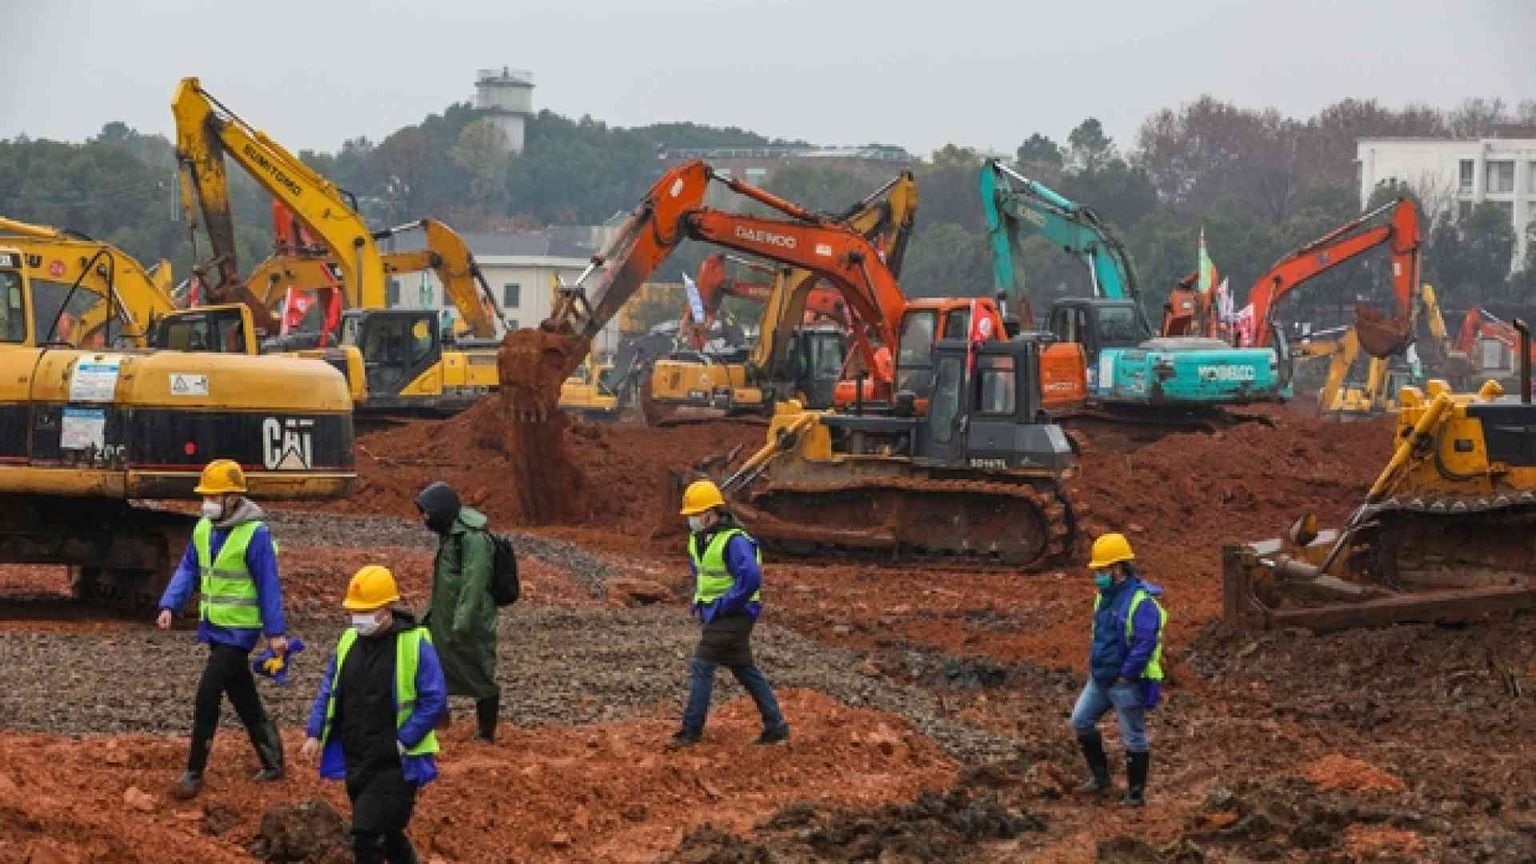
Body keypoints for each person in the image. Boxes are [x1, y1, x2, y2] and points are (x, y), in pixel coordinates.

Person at [155, 459, 289, 799]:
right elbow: (189, 569)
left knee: (209, 691)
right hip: (215, 627)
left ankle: (194, 770)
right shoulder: (203, 529)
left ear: (233, 498)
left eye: (214, 497)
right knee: (242, 693)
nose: (207, 503)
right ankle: (272, 758)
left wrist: (275, 633)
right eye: (206, 496)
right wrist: (169, 604)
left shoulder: (255, 534)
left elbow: (268, 585)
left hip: (240, 631)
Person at [301, 566, 446, 864]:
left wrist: (403, 740)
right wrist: (315, 733)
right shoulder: (348, 641)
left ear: (387, 608)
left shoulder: (414, 643)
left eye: (366, 611)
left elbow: (435, 699)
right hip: (358, 757)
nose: (358, 618)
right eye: (355, 611)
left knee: (366, 837)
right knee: (388, 834)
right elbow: (330, 689)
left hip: (395, 762)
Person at [671, 479, 789, 747]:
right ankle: (776, 726)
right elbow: (702, 572)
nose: (690, 519)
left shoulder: (734, 540)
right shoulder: (699, 538)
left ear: (710, 512)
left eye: (694, 514)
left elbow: (750, 578)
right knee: (743, 667)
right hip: (719, 612)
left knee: (702, 665)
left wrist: (724, 605)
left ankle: (690, 731)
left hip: (735, 613)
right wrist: (701, 602)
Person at [1070, 532, 1167, 807]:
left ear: (1118, 568)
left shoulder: (1141, 601)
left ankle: (1135, 794)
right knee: (1080, 721)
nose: (1097, 576)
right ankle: (1100, 778)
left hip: (1124, 682)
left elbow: (1145, 642)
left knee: (1133, 737)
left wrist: (1127, 674)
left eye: (1102, 570)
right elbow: (1099, 633)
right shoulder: (1103, 597)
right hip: (1101, 677)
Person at [414, 482, 500, 742]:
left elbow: (474, 584)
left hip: (470, 622)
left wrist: (462, 623)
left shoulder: (472, 538)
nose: (424, 519)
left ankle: (486, 733)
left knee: (478, 673)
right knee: (433, 668)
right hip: (444, 619)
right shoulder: (451, 533)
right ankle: (439, 720)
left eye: (427, 513)